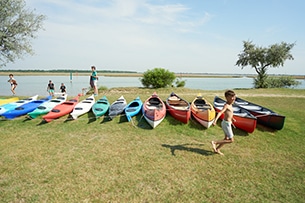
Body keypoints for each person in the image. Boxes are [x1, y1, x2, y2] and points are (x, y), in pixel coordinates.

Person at [211, 90, 236, 155]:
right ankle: (215, 142)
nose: (233, 98)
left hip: (227, 123)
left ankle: (217, 149)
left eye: (234, 97)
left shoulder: (231, 105)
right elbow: (220, 112)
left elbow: (228, 113)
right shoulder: (226, 105)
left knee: (226, 138)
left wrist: (232, 118)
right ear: (227, 98)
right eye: (231, 97)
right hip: (226, 124)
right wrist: (215, 121)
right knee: (231, 140)